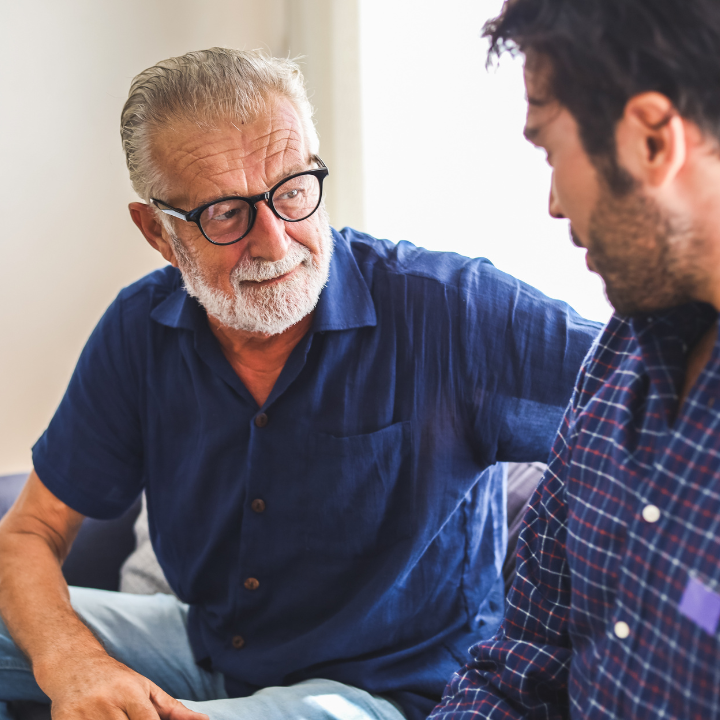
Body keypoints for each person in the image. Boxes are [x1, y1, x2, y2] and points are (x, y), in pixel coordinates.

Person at [0, 49, 599, 720]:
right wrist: (74, 664)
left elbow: (656, 390)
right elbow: (29, 534)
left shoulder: (454, 310)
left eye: (291, 190)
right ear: (159, 233)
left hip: (381, 693)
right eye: (226, 214)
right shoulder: (139, 328)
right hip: (206, 651)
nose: (277, 243)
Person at [430, 1, 720, 718]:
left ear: (652, 139)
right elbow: (521, 661)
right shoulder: (616, 359)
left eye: (551, 151)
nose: (555, 203)